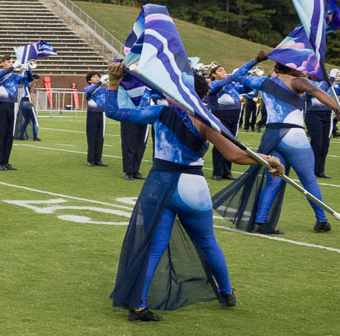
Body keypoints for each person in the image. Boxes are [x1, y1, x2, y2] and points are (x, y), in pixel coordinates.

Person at [103, 62, 281, 322]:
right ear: (202, 94)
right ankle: (226, 292)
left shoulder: (159, 112)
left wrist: (113, 81)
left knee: (154, 247)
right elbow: (234, 155)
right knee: (207, 241)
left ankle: (139, 305)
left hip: (159, 184)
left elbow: (114, 111)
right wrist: (267, 160)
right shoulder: (208, 119)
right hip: (191, 187)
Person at [214, 51, 340, 234]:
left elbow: (237, 76)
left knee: (273, 181)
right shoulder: (298, 81)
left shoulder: (263, 82)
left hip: (271, 135)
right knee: (308, 179)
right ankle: (322, 220)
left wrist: (255, 60)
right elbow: (317, 92)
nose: (302, 70)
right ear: (291, 68)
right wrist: (338, 110)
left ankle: (260, 222)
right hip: (293, 135)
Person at [0, 54, 32, 171]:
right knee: (2, 134)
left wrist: (28, 69)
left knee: (10, 134)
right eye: (8, 62)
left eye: (12, 62)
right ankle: (0, 162)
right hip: (3, 105)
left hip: (13, 105)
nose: (11, 63)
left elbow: (29, 80)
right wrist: (13, 67)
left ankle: (6, 161)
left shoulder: (15, 76)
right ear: (2, 63)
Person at [207, 65, 243, 180]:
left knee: (232, 143)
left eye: (224, 70)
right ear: (213, 74)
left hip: (235, 116)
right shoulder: (213, 84)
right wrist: (233, 77)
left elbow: (245, 89)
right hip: (221, 116)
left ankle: (227, 171)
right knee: (220, 143)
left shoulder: (231, 85)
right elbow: (220, 85)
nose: (224, 72)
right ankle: (217, 172)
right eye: (220, 70)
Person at [305, 75, 335, 179]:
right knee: (316, 142)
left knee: (325, 144)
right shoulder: (306, 82)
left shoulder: (327, 84)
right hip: (314, 114)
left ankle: (319, 170)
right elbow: (319, 90)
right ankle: (310, 169)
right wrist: (330, 79)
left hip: (327, 114)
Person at [119, 83, 151, 181]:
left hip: (143, 115)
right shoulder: (124, 83)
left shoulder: (145, 84)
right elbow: (121, 101)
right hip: (129, 115)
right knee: (129, 144)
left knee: (140, 144)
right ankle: (128, 171)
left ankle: (136, 170)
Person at [84, 72, 109, 167]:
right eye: (94, 77)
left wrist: (110, 83)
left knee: (100, 137)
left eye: (98, 77)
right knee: (92, 137)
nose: (97, 78)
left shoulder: (103, 89)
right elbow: (90, 90)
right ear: (89, 80)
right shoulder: (87, 88)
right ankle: (90, 159)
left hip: (102, 114)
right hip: (92, 114)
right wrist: (100, 82)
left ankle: (98, 159)